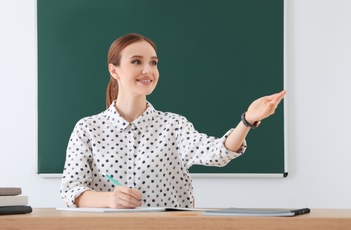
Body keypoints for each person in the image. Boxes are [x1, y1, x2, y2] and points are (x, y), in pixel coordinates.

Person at [60, 33, 286, 209]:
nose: (148, 70)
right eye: (136, 62)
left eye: (154, 62)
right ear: (114, 70)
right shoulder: (88, 129)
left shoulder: (173, 126)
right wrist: (109, 199)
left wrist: (246, 121)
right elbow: (71, 191)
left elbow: (217, 153)